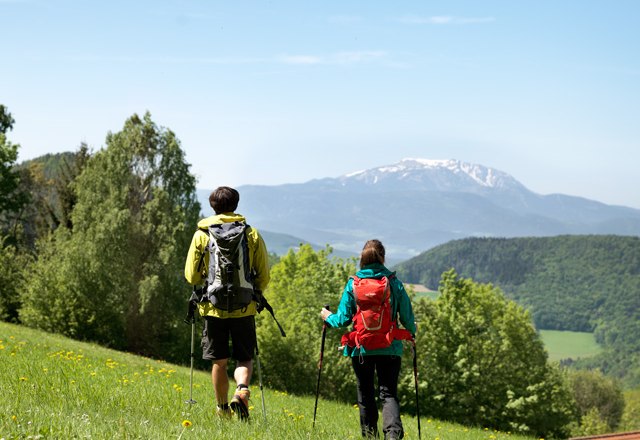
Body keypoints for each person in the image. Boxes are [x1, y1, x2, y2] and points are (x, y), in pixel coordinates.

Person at [184, 186, 270, 420]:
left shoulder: (202, 234)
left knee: (219, 362)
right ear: (236, 205)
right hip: (244, 307)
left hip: (213, 308)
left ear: (213, 206)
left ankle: (222, 410)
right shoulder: (250, 234)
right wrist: (256, 291)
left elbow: (191, 276)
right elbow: (264, 274)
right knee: (244, 358)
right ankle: (241, 391)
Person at [320, 239, 416, 439]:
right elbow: (407, 318)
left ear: (362, 259)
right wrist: (412, 330)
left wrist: (327, 316)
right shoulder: (394, 283)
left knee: (365, 394)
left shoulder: (353, 285)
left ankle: (369, 436)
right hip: (390, 348)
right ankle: (393, 436)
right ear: (383, 257)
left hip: (361, 349)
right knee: (388, 394)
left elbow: (343, 320)